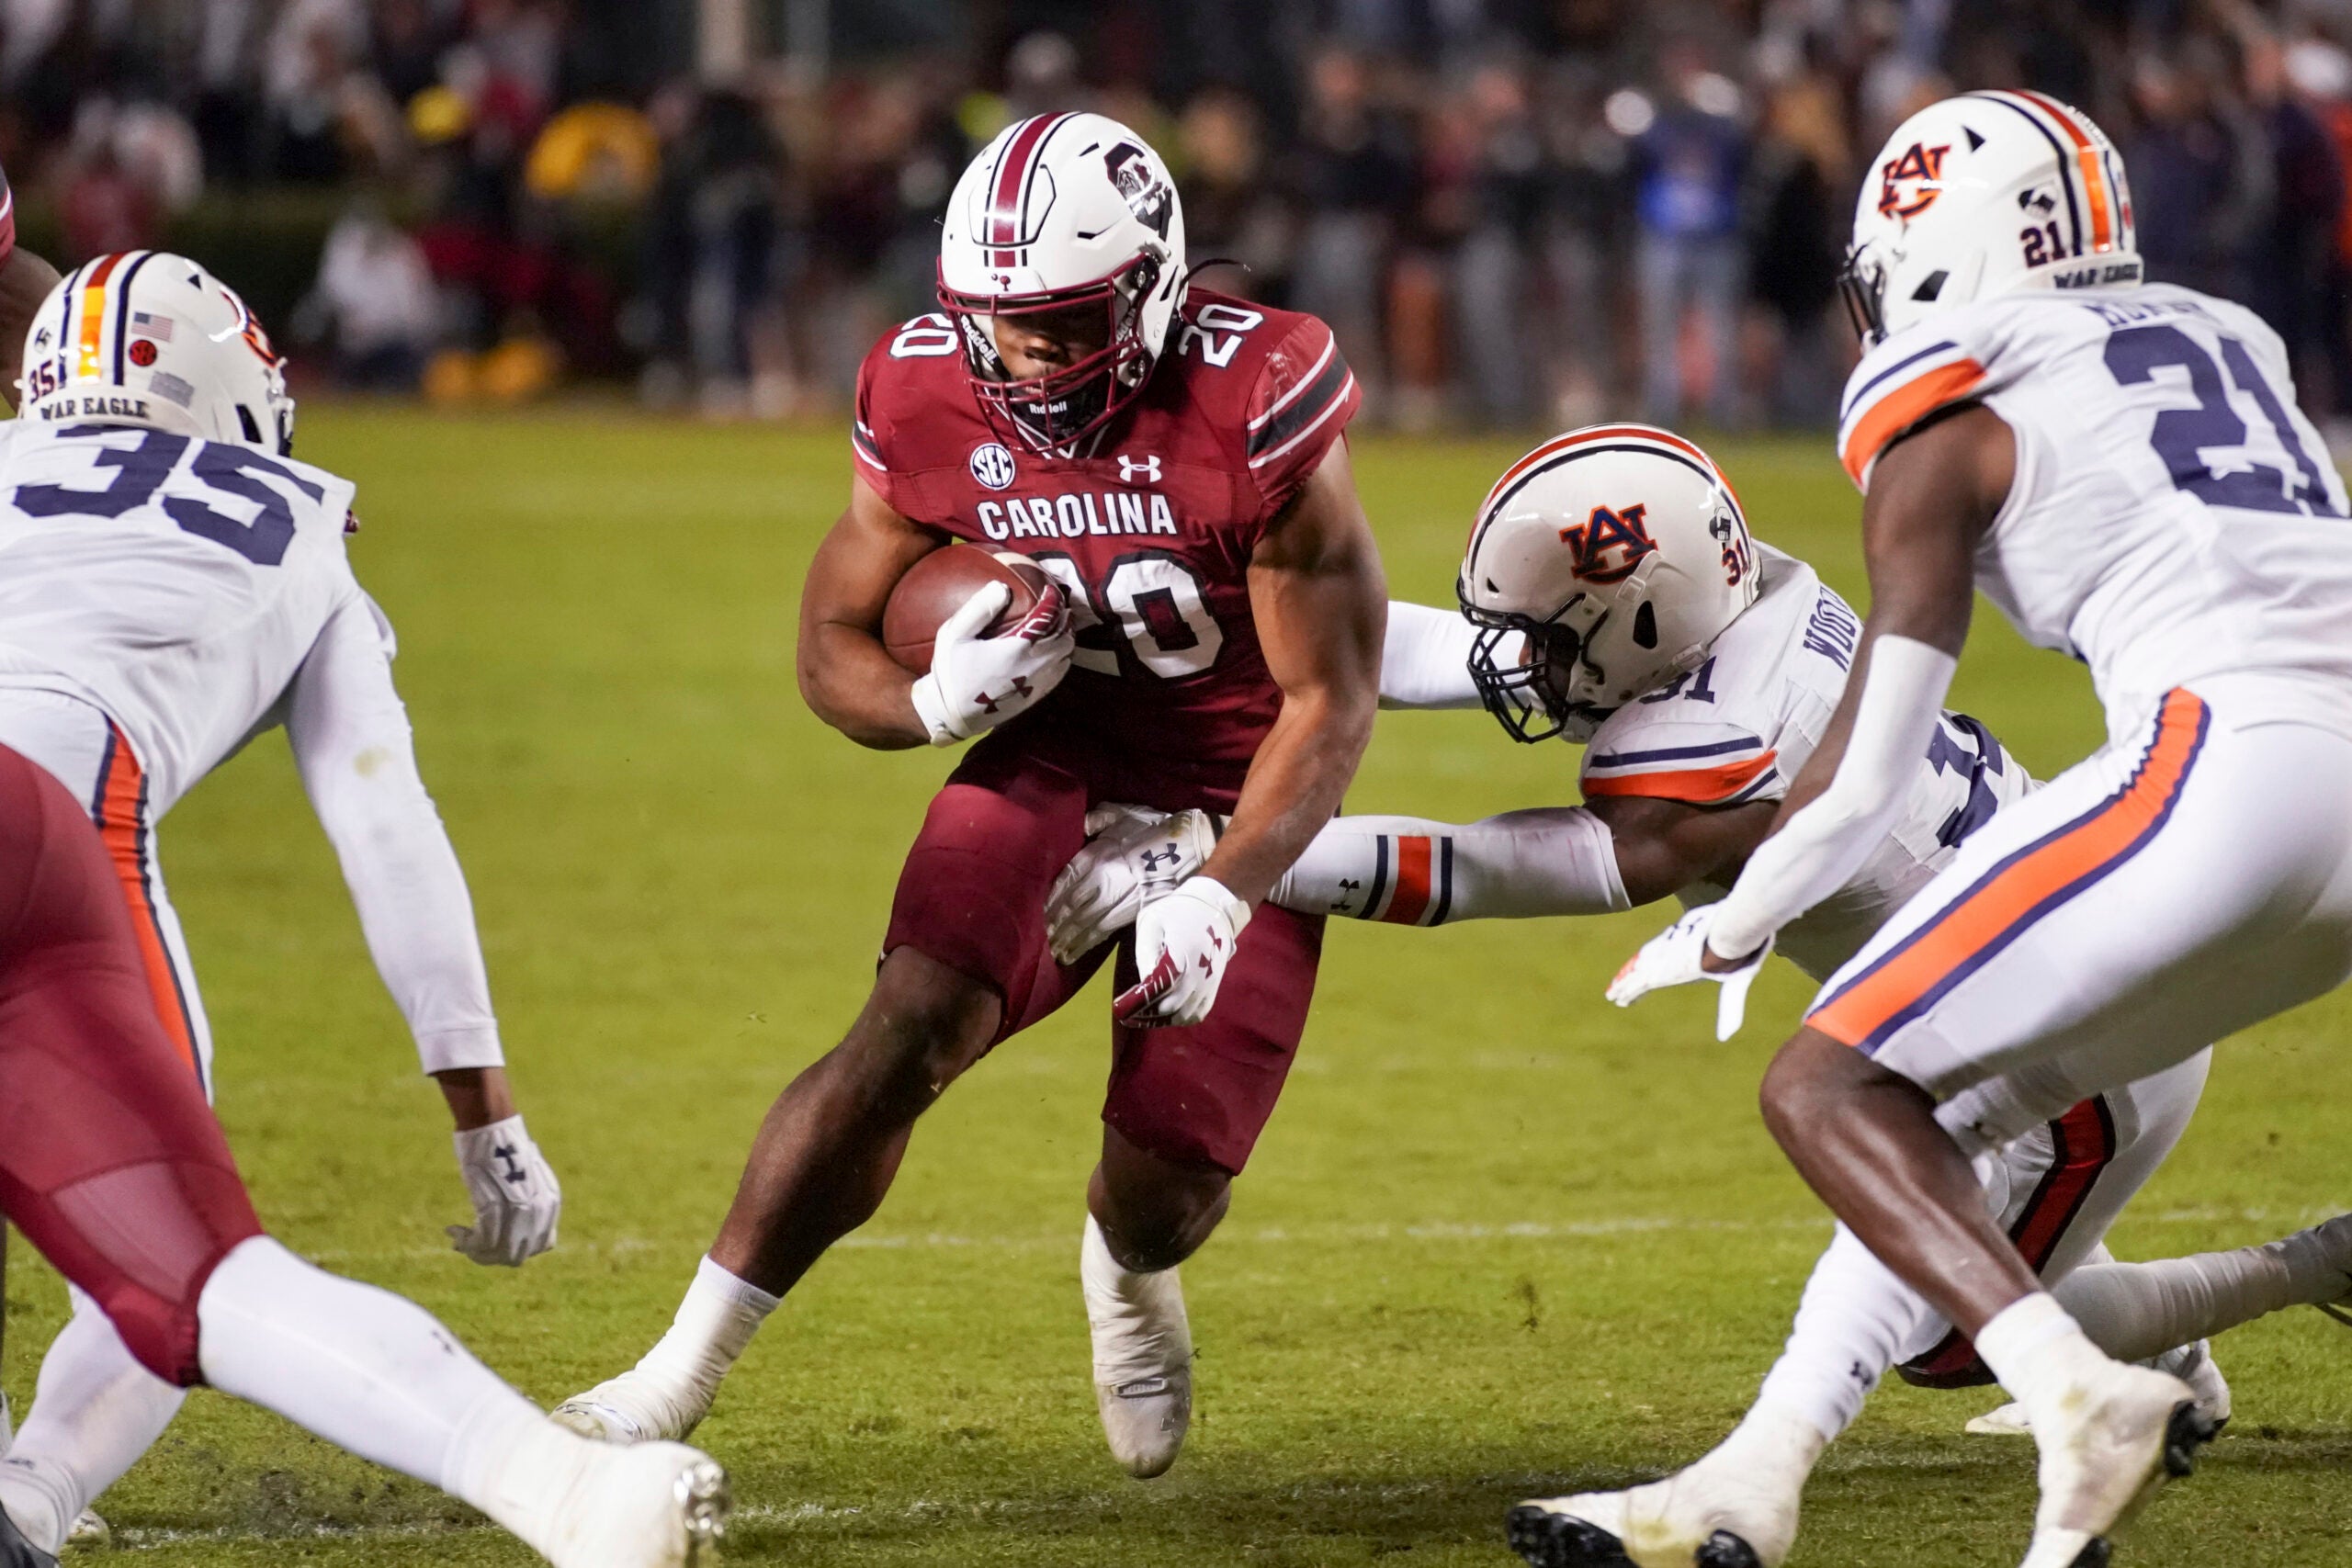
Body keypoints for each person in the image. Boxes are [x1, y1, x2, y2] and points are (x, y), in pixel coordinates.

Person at [1047, 426, 2352, 1566]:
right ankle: (2164, 1335)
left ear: (1640, 630)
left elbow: (1493, 871)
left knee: (1950, 1343)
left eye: (1550, 640)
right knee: (1978, 1259)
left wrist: (1227, 857)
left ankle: (2305, 1269)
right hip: (2008, 997)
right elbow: (1484, 656)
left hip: (2072, 1059)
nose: (1525, 664)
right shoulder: (1739, 601)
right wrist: (1207, 633)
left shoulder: (1715, 742)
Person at [552, 112, 1385, 1482]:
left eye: (1058, 323)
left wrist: (1223, 893)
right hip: (1057, 758)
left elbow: (1327, 701)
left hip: (1240, 792)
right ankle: (676, 1372)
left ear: (1150, 288)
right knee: (905, 1029)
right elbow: (833, 640)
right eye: (998, 322)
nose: (1024, 355)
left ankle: (1123, 1273)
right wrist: (931, 706)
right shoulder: (924, 385)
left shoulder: (1260, 391)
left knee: (1173, 1187)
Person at [1608, 89, 2352, 1565]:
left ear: (1933, 247)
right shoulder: (2230, 335)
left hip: (2229, 763)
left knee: (1826, 1091)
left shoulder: (1950, 381)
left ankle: (2081, 1396)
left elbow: (1870, 775)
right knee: (1944, 1124)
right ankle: (1754, 1475)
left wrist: (1732, 923)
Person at [0, 252, 727, 1567]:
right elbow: (384, 824)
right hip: (37, 828)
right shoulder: (289, 515)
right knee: (188, 1277)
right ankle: (563, 1494)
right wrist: (481, 1105)